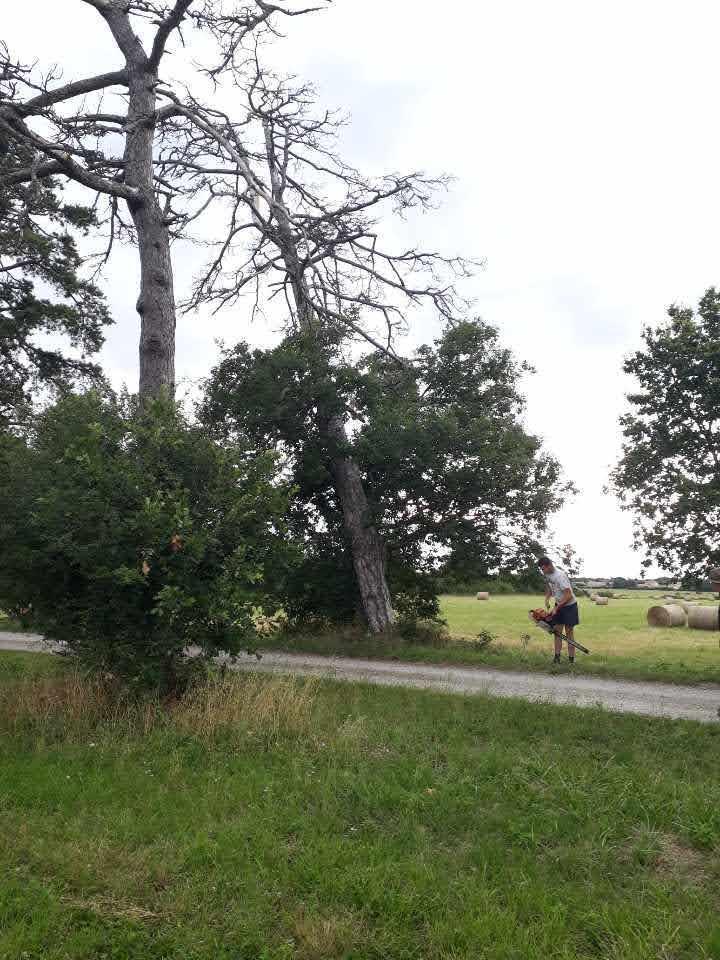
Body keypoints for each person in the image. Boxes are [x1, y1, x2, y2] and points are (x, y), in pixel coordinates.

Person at [537, 556, 580, 664]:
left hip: (570, 606)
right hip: (559, 604)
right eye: (541, 569)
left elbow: (568, 595)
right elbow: (549, 587)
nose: (543, 571)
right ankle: (557, 658)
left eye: (543, 569)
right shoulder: (547, 574)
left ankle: (571, 661)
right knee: (557, 632)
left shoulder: (560, 576)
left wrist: (557, 608)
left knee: (569, 632)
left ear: (549, 565)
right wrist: (547, 598)